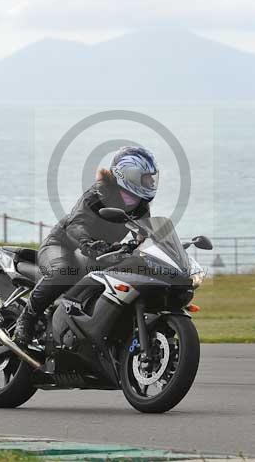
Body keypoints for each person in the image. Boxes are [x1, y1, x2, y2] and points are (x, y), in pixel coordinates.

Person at [13, 146, 159, 344]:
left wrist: (158, 248)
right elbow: (76, 224)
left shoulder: (140, 206)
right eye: (146, 177)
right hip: (62, 244)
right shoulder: (100, 192)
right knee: (63, 271)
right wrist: (87, 243)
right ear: (128, 174)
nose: (151, 182)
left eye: (152, 177)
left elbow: (144, 234)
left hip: (99, 253)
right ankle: (27, 318)